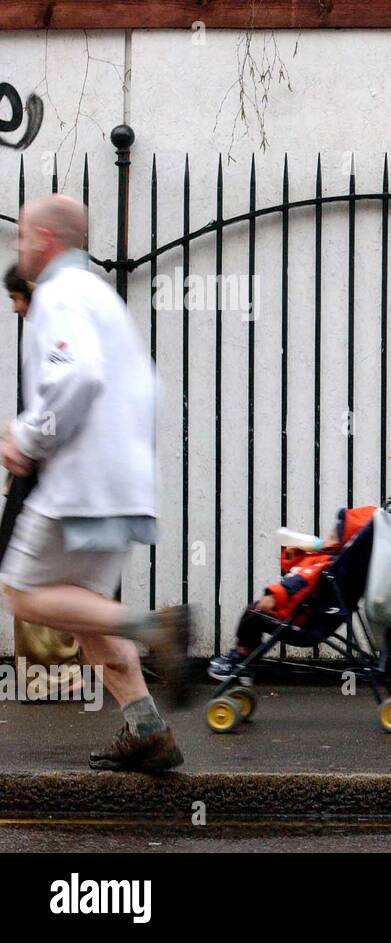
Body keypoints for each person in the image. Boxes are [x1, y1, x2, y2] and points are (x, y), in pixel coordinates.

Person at [0, 194, 191, 771]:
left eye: (22, 237)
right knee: (85, 613)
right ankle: (148, 732)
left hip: (79, 479)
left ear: (45, 240)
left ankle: (153, 625)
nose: (18, 248)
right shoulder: (100, 297)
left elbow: (75, 377)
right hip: (119, 480)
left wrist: (26, 439)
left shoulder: (59, 295)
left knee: (23, 594)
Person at [5, 263, 83, 702]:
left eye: (17, 298)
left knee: (30, 578)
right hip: (49, 470)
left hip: (45, 472)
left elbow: (57, 404)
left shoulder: (53, 331)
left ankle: (51, 675)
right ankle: (60, 673)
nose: (15, 308)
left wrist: (21, 439)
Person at [207, 505, 376, 681]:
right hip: (313, 621)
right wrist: (296, 553)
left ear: (343, 541)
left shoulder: (324, 563)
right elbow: (296, 570)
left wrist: (274, 595)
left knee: (253, 614)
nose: (329, 535)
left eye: (335, 533)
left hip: (302, 623)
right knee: (254, 615)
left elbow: (300, 580)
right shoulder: (330, 562)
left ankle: (241, 660)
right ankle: (246, 660)